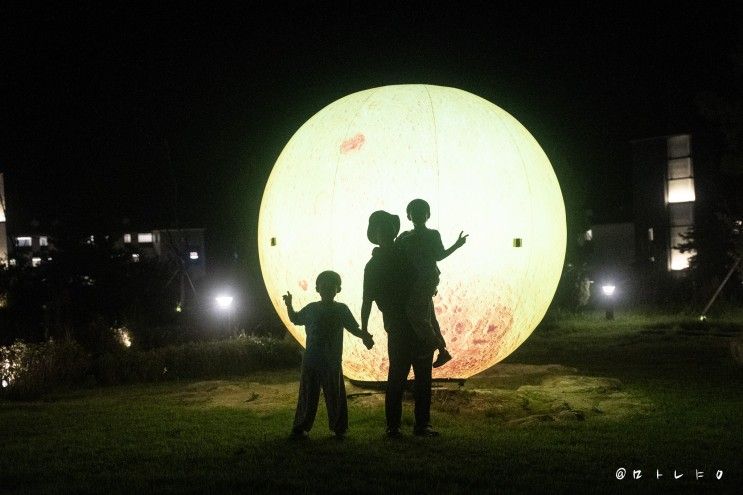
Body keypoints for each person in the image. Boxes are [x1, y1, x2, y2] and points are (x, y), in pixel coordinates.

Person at [361, 210, 439, 437]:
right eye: (380, 229)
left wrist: (431, 322)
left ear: (394, 231)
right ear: (375, 234)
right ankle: (393, 426)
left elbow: (423, 290)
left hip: (417, 323)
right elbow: (367, 299)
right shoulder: (373, 266)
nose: (385, 233)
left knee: (423, 376)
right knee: (397, 376)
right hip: (397, 325)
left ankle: (422, 424)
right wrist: (364, 329)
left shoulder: (407, 256)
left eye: (388, 228)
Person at [283, 271, 374, 439]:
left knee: (334, 396)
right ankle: (301, 427)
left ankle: (338, 429)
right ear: (318, 289)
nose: (327, 289)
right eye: (324, 286)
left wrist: (365, 337)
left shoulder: (341, 310)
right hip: (312, 361)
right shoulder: (312, 309)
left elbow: (354, 328)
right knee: (309, 395)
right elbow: (295, 318)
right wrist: (289, 305)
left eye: (330, 286)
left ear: (337, 289)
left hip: (330, 361)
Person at [395, 199, 468, 367]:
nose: (418, 215)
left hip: (426, 278)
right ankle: (442, 351)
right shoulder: (405, 236)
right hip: (414, 281)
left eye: (421, 212)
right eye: (415, 212)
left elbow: (439, 256)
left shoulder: (432, 234)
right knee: (429, 316)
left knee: (415, 313)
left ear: (427, 215)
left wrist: (456, 245)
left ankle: (433, 344)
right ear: (409, 215)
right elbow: (395, 253)